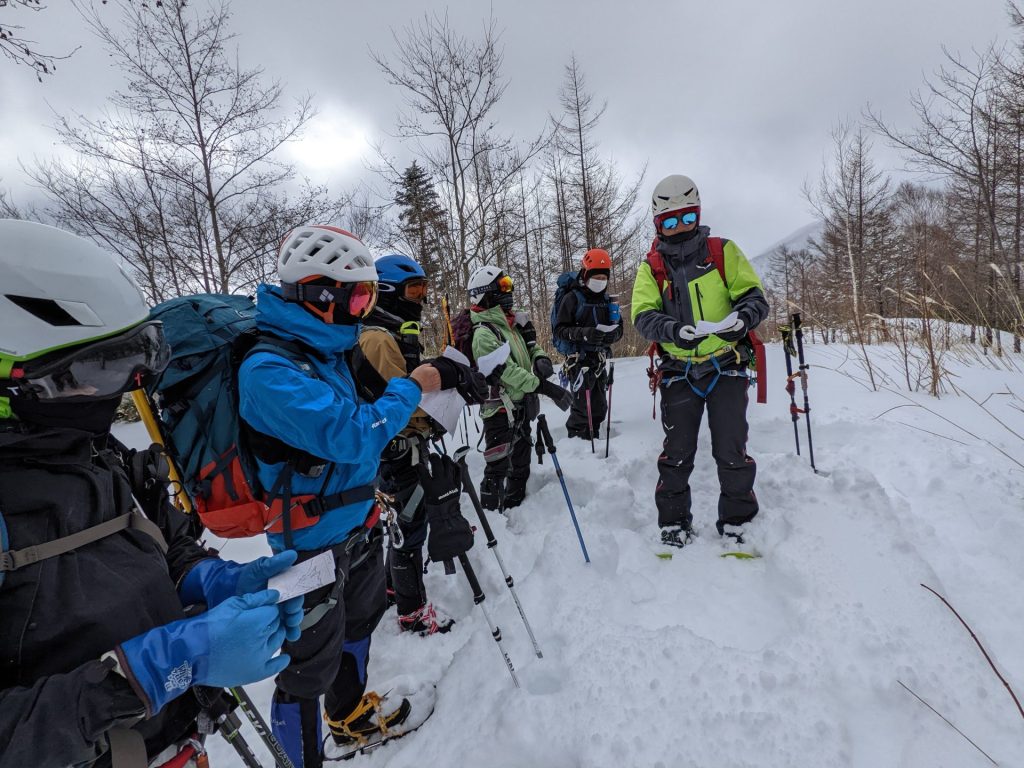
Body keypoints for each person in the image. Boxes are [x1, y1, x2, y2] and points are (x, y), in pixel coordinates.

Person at [0, 219, 303, 768]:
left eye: (139, 359)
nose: (126, 389)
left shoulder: (93, 450)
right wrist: (148, 672)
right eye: (97, 370)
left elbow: (163, 544)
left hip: (175, 741)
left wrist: (212, 579)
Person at [237, 226, 483, 767]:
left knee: (360, 622)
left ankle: (347, 717)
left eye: (368, 296)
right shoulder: (268, 370)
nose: (362, 308)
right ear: (316, 293)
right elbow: (357, 434)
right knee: (307, 667)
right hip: (307, 542)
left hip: (358, 520)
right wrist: (414, 383)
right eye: (354, 296)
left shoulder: (329, 353)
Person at [630, 175, 769, 548]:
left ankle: (737, 520)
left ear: (698, 213)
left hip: (727, 364)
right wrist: (673, 331)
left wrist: (742, 319)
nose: (680, 228)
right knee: (677, 454)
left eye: (686, 218)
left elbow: (754, 296)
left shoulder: (722, 251)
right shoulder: (651, 267)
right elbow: (642, 315)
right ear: (658, 224)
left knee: (731, 449)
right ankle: (673, 523)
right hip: (679, 370)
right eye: (670, 222)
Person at [350, 254, 460, 636]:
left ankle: (393, 589)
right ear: (387, 291)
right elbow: (396, 401)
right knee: (408, 529)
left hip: (404, 446)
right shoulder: (377, 338)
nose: (420, 297)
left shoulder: (394, 332)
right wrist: (438, 412)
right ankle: (412, 612)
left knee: (407, 521)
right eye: (413, 289)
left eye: (424, 289)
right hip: (395, 450)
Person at [467, 265, 572, 511]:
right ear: (486, 293)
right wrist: (545, 388)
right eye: (503, 286)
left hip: (520, 407)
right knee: (497, 466)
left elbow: (527, 349)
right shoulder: (484, 333)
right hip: (500, 412)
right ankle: (493, 515)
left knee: (521, 463)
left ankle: (515, 507)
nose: (509, 291)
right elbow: (509, 373)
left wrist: (539, 355)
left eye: (510, 285)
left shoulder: (509, 325)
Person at [552, 248, 624, 441]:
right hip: (579, 360)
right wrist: (584, 334)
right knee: (583, 407)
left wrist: (611, 336)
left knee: (600, 406)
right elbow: (559, 330)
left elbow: (619, 328)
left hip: (599, 359)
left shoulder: (608, 301)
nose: (600, 281)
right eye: (596, 276)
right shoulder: (572, 298)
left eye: (604, 277)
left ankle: (596, 441)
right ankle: (577, 445)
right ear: (586, 275)